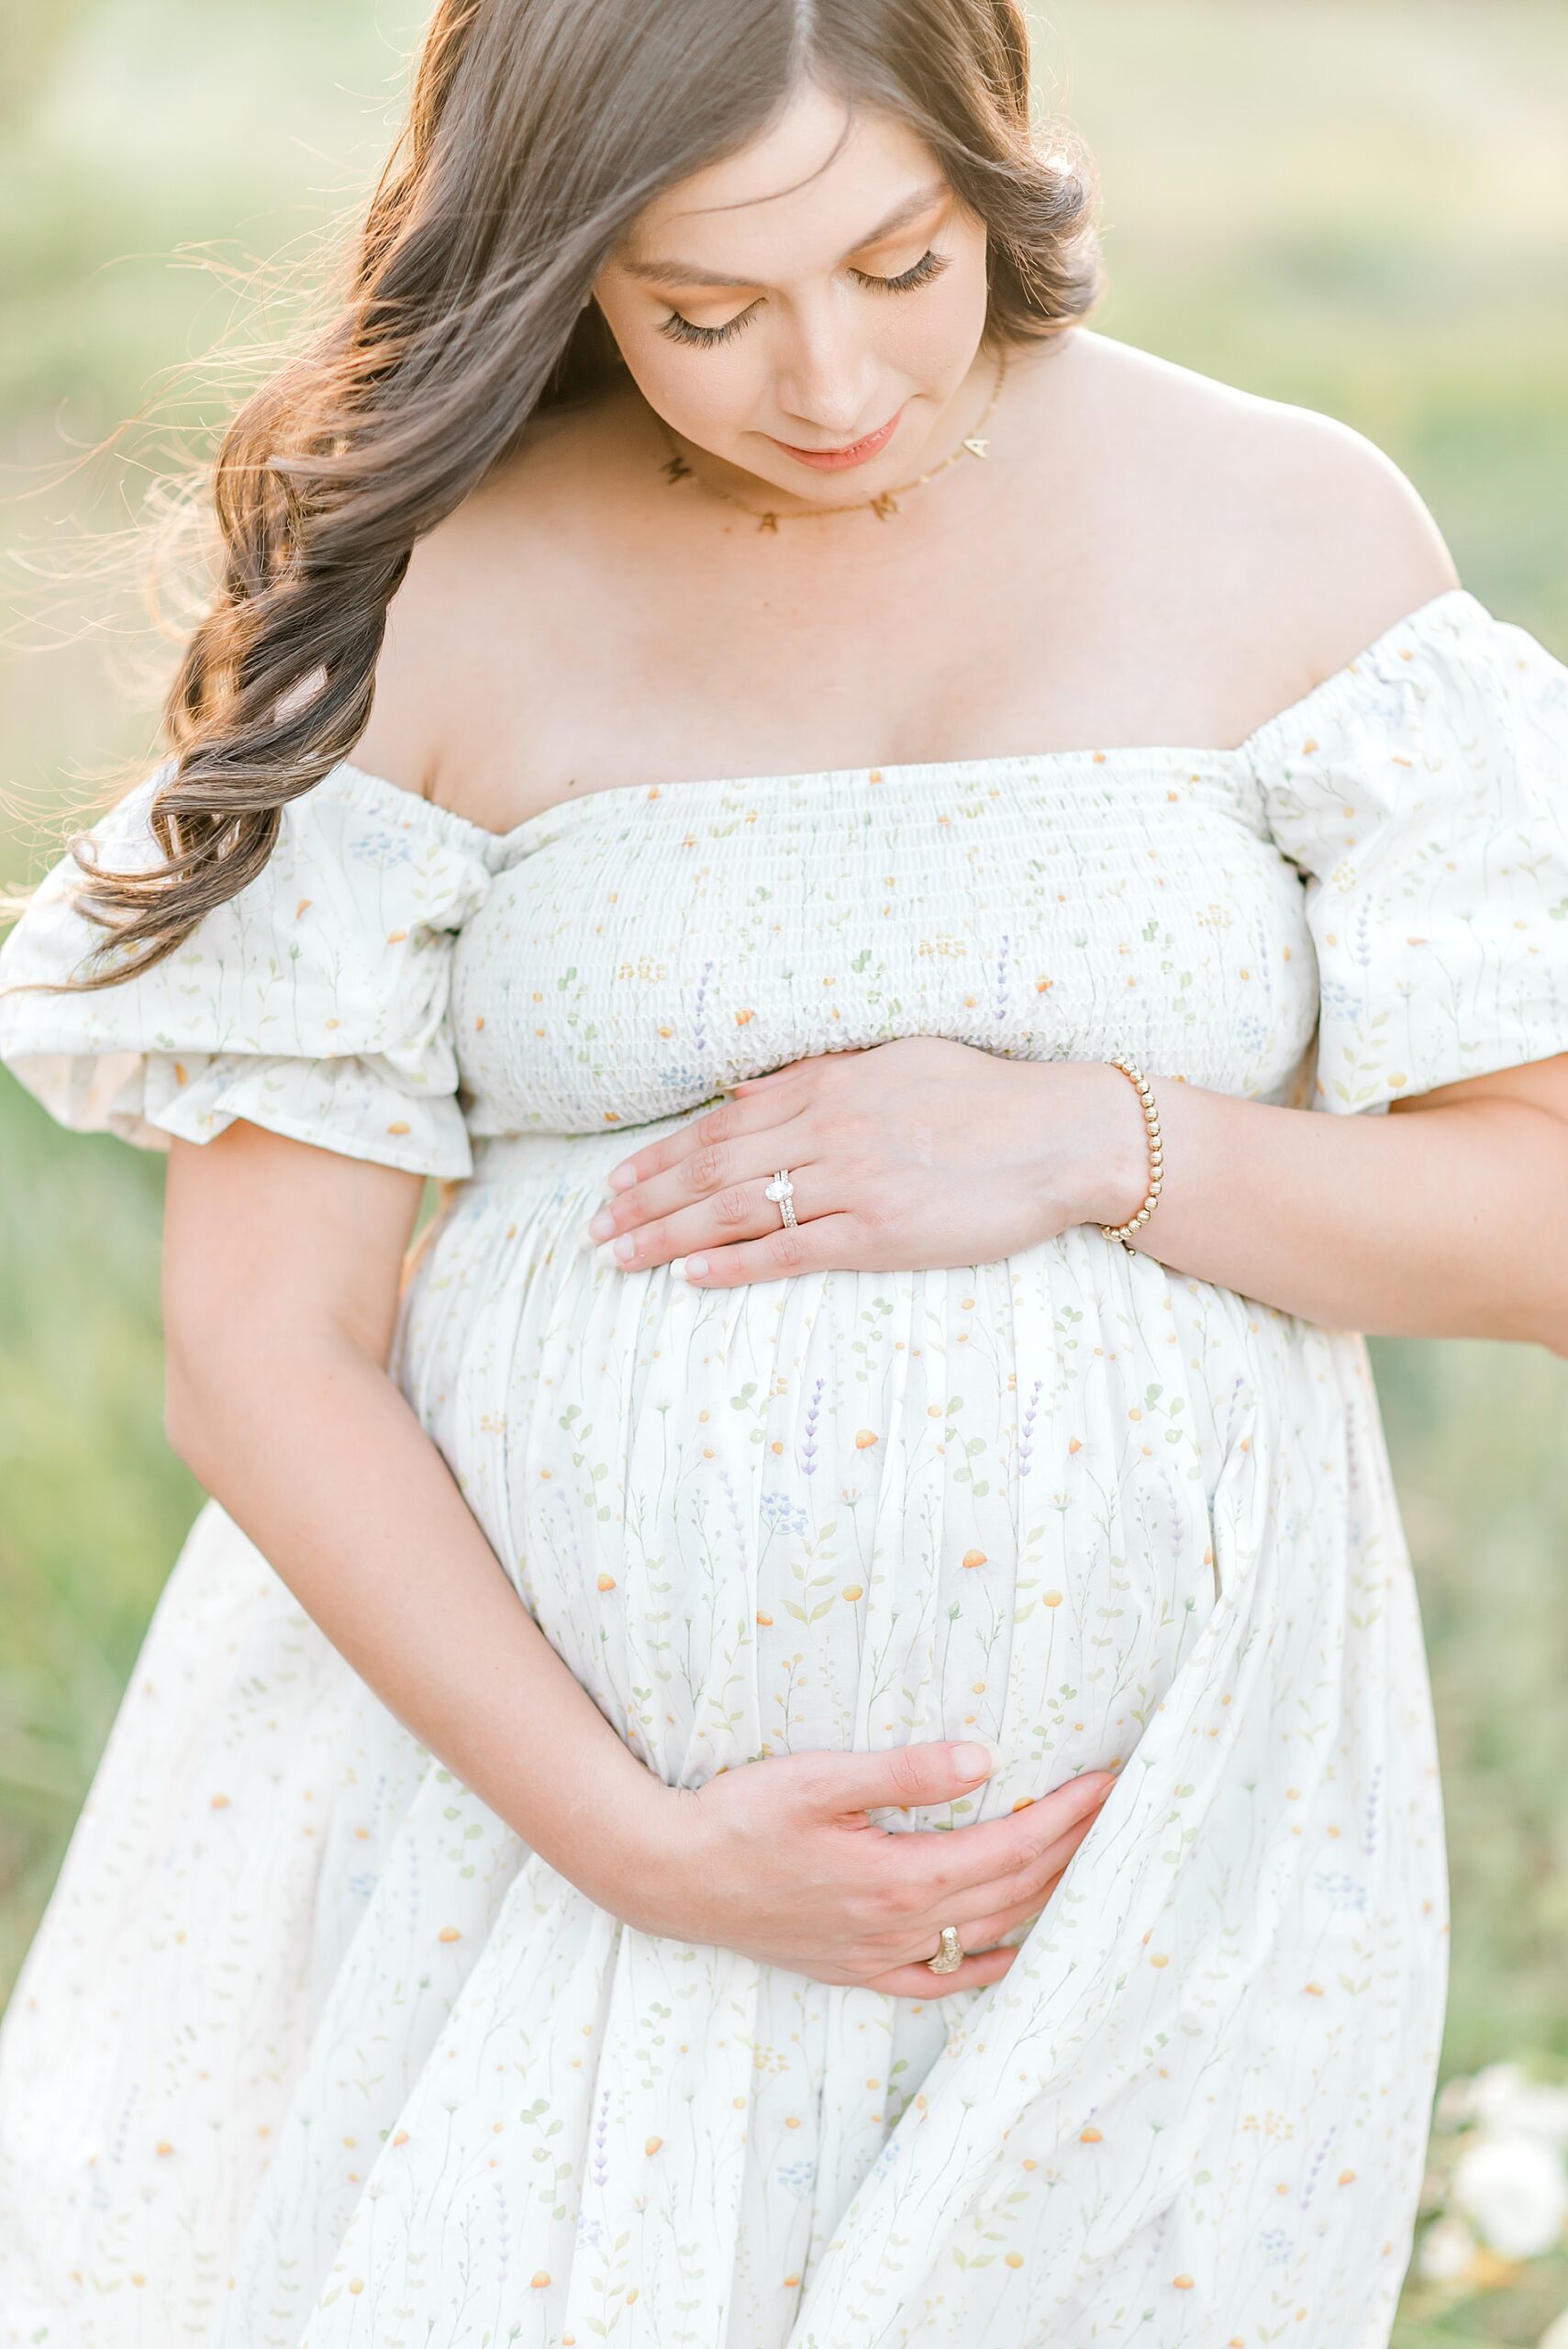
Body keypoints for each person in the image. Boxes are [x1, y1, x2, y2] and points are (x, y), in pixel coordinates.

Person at [1, 0, 1566, 2341]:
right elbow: (259, 1345)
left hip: (1148, 1856)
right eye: (703, 311)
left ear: (1004, 167)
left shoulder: (1293, 530)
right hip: (509, 1839)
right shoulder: (443, 590)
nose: (827, 380)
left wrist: (1093, 1137)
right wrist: (637, 1841)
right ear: (566, 276)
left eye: (900, 264)